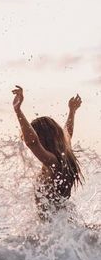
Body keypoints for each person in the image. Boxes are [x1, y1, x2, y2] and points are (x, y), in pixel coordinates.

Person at [12, 85, 83, 220]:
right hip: (62, 226)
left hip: (52, 228)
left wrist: (18, 111)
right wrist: (72, 111)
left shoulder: (52, 162)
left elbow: (32, 143)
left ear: (42, 138)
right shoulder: (64, 156)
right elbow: (68, 133)